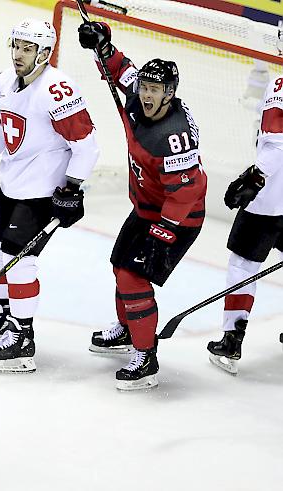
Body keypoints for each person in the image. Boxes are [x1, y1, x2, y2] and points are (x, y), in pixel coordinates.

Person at [0, 19, 100, 373]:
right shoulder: (5, 80)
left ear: (45, 53)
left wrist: (71, 187)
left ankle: (23, 337)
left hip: (42, 191)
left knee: (18, 260)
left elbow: (86, 145)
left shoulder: (57, 91)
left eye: (27, 48)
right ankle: (0, 313)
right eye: (16, 46)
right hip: (12, 182)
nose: (18, 54)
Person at [79, 22, 207, 390]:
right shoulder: (137, 94)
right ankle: (128, 330)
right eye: (145, 88)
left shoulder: (175, 134)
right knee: (120, 265)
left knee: (133, 276)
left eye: (155, 90)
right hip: (146, 206)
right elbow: (120, 69)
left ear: (169, 94)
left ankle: (145, 355)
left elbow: (186, 192)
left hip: (179, 216)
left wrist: (161, 236)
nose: (147, 95)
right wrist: (101, 43)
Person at [207, 74, 283, 374]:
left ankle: (231, 340)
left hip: (268, 201)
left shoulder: (280, 84)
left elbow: (276, 144)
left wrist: (255, 177)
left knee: (243, 264)